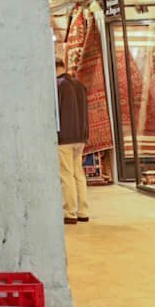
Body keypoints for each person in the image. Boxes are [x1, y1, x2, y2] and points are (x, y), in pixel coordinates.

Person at [56, 56, 90, 224]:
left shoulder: (58, 85)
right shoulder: (79, 85)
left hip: (65, 137)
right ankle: (83, 211)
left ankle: (69, 212)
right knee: (78, 174)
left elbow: (56, 113)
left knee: (66, 174)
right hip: (80, 137)